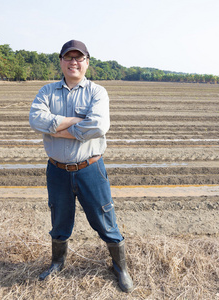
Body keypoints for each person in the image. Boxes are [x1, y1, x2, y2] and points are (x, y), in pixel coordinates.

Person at [29, 40, 133, 293]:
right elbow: (36, 120)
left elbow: (98, 126)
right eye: (68, 57)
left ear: (87, 62)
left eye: (79, 58)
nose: (73, 62)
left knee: (105, 220)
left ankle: (121, 268)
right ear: (61, 62)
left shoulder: (98, 92)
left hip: (90, 169)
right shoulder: (47, 91)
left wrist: (58, 130)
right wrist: (78, 124)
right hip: (57, 171)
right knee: (59, 220)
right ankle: (57, 263)